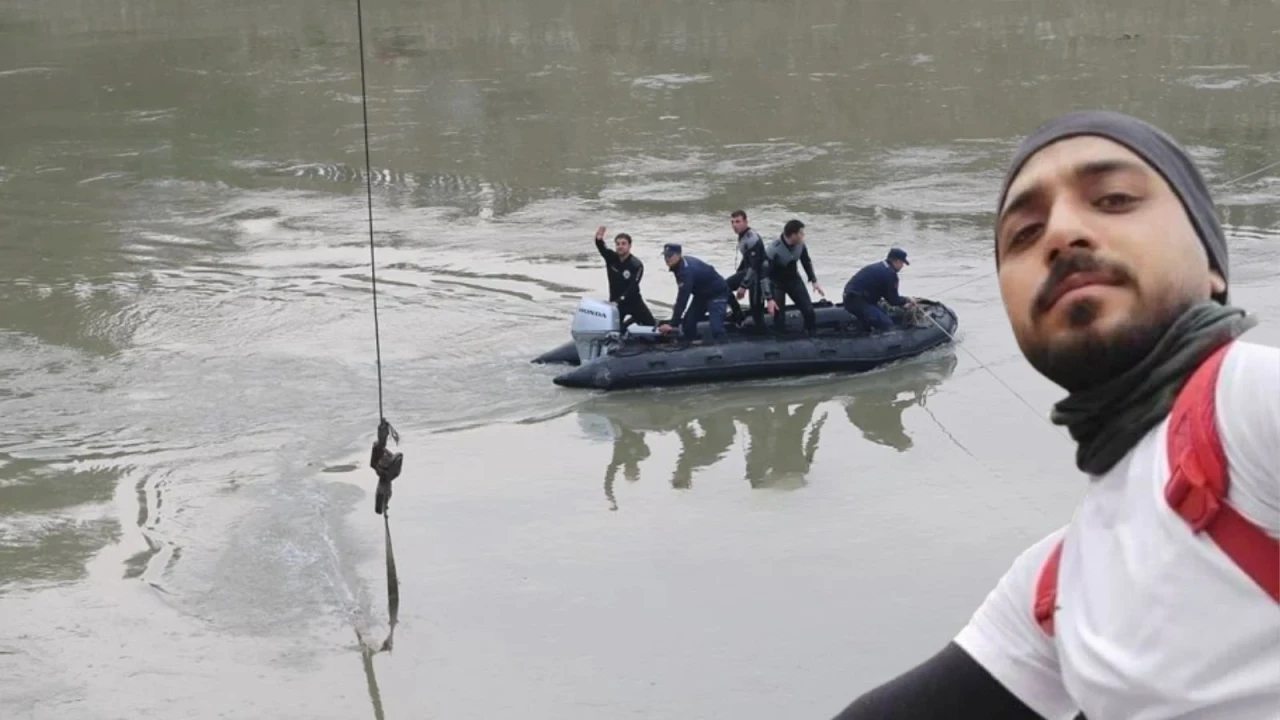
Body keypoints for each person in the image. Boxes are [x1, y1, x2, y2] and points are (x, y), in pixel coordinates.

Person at [830, 110, 1278, 719]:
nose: (1061, 233)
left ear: (1213, 264)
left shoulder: (1250, 406)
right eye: (1023, 234)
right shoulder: (1057, 582)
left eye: (1114, 198)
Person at [760, 219, 825, 338]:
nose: (803, 236)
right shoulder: (773, 250)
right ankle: (780, 341)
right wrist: (769, 299)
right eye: (801, 233)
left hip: (794, 281)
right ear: (793, 235)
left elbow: (806, 261)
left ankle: (811, 336)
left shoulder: (800, 245)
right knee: (779, 317)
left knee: (809, 311)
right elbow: (764, 275)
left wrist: (814, 280)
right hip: (777, 284)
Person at [657, 243, 731, 346]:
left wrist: (672, 324)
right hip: (701, 294)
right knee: (688, 324)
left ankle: (725, 346)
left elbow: (683, 298)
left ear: (679, 255)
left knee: (716, 329)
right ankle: (692, 343)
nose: (667, 259)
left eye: (670, 256)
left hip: (716, 294)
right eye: (665, 256)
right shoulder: (677, 266)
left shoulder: (686, 271)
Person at [593, 225, 656, 328]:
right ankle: (628, 323)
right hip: (615, 303)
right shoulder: (611, 258)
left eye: (623, 244)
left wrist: (619, 301)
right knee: (612, 331)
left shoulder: (636, 265)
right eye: (617, 244)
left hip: (633, 302)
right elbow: (602, 248)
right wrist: (598, 239)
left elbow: (632, 287)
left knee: (651, 326)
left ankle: (635, 319)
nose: (620, 246)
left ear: (629, 246)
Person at [841, 248, 914, 333]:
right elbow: (893, 300)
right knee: (887, 325)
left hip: (852, 297)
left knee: (881, 315)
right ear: (897, 261)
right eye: (902, 263)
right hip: (858, 301)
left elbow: (887, 295)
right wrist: (906, 300)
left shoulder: (879, 267)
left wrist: (902, 303)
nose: (902, 266)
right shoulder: (890, 274)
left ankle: (866, 330)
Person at [725, 209, 767, 331]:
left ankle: (762, 333)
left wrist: (743, 286)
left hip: (759, 276)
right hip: (749, 272)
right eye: (732, 222)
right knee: (724, 286)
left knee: (757, 311)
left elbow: (754, 265)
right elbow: (746, 260)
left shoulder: (751, 238)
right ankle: (738, 313)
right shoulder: (742, 236)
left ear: (746, 222)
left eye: (738, 222)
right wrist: (738, 275)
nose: (734, 225)